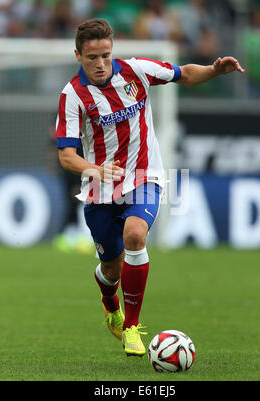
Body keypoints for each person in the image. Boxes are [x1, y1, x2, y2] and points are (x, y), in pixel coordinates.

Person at [56, 18, 244, 357]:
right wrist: (95, 169)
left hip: (145, 176)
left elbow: (184, 74)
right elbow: (67, 156)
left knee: (135, 236)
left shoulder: (137, 71)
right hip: (101, 187)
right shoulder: (73, 95)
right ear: (78, 55)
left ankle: (132, 327)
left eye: (106, 55)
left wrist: (215, 70)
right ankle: (109, 301)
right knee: (110, 270)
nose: (100, 64)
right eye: (92, 57)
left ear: (112, 50)